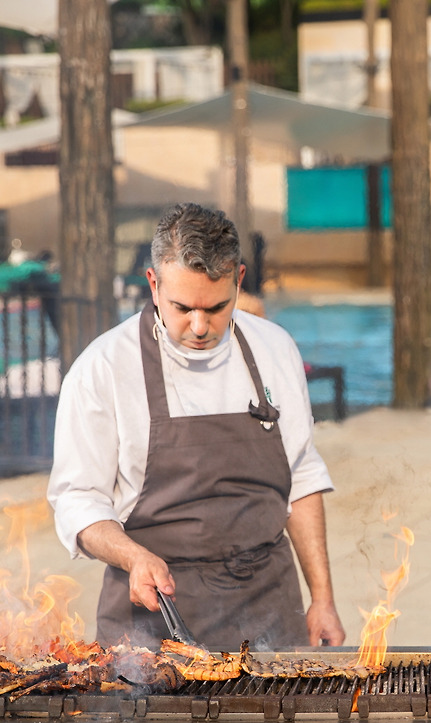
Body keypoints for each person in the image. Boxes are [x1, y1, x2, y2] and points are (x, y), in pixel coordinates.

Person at [47, 202, 345, 651]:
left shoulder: (275, 349)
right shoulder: (103, 368)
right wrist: (132, 556)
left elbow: (301, 478)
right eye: (183, 307)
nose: (200, 326)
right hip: (153, 621)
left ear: (239, 280)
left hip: (269, 609)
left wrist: (322, 599)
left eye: (217, 307)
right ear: (153, 284)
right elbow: (77, 500)